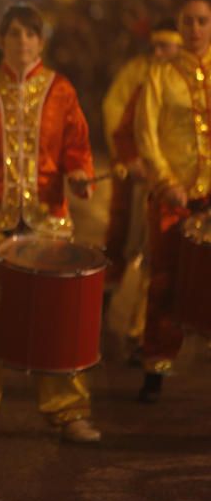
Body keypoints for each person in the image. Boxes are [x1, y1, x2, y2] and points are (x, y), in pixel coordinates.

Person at [0, 3, 100, 449]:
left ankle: (68, 411)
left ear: (41, 41)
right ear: (0, 40)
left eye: (30, 34)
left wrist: (79, 174)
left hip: (47, 221)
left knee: (56, 320)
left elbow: (77, 147)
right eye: (13, 34)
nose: (22, 42)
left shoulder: (61, 90)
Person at [134, 0, 211, 403]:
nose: (196, 29)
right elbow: (145, 135)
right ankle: (156, 367)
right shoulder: (160, 75)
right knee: (165, 282)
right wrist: (167, 182)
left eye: (203, 21)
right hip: (172, 197)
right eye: (188, 21)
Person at [101, 19, 180, 360]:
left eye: (168, 46)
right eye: (157, 46)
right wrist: (131, 159)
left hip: (188, 186)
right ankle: (132, 327)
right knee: (137, 247)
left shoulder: (190, 80)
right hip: (149, 182)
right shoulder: (141, 76)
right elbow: (118, 115)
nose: (160, 53)